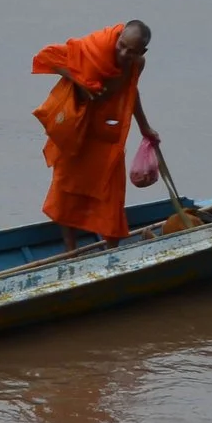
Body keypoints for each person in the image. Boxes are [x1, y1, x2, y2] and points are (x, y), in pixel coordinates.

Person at [31, 19, 159, 252]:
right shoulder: (94, 50)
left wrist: (145, 127)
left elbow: (131, 92)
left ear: (142, 52)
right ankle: (70, 251)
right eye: (121, 46)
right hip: (77, 130)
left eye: (131, 51)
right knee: (66, 189)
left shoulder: (136, 65)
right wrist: (78, 80)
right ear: (118, 37)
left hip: (106, 135)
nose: (123, 53)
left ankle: (111, 251)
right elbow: (50, 57)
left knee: (111, 194)